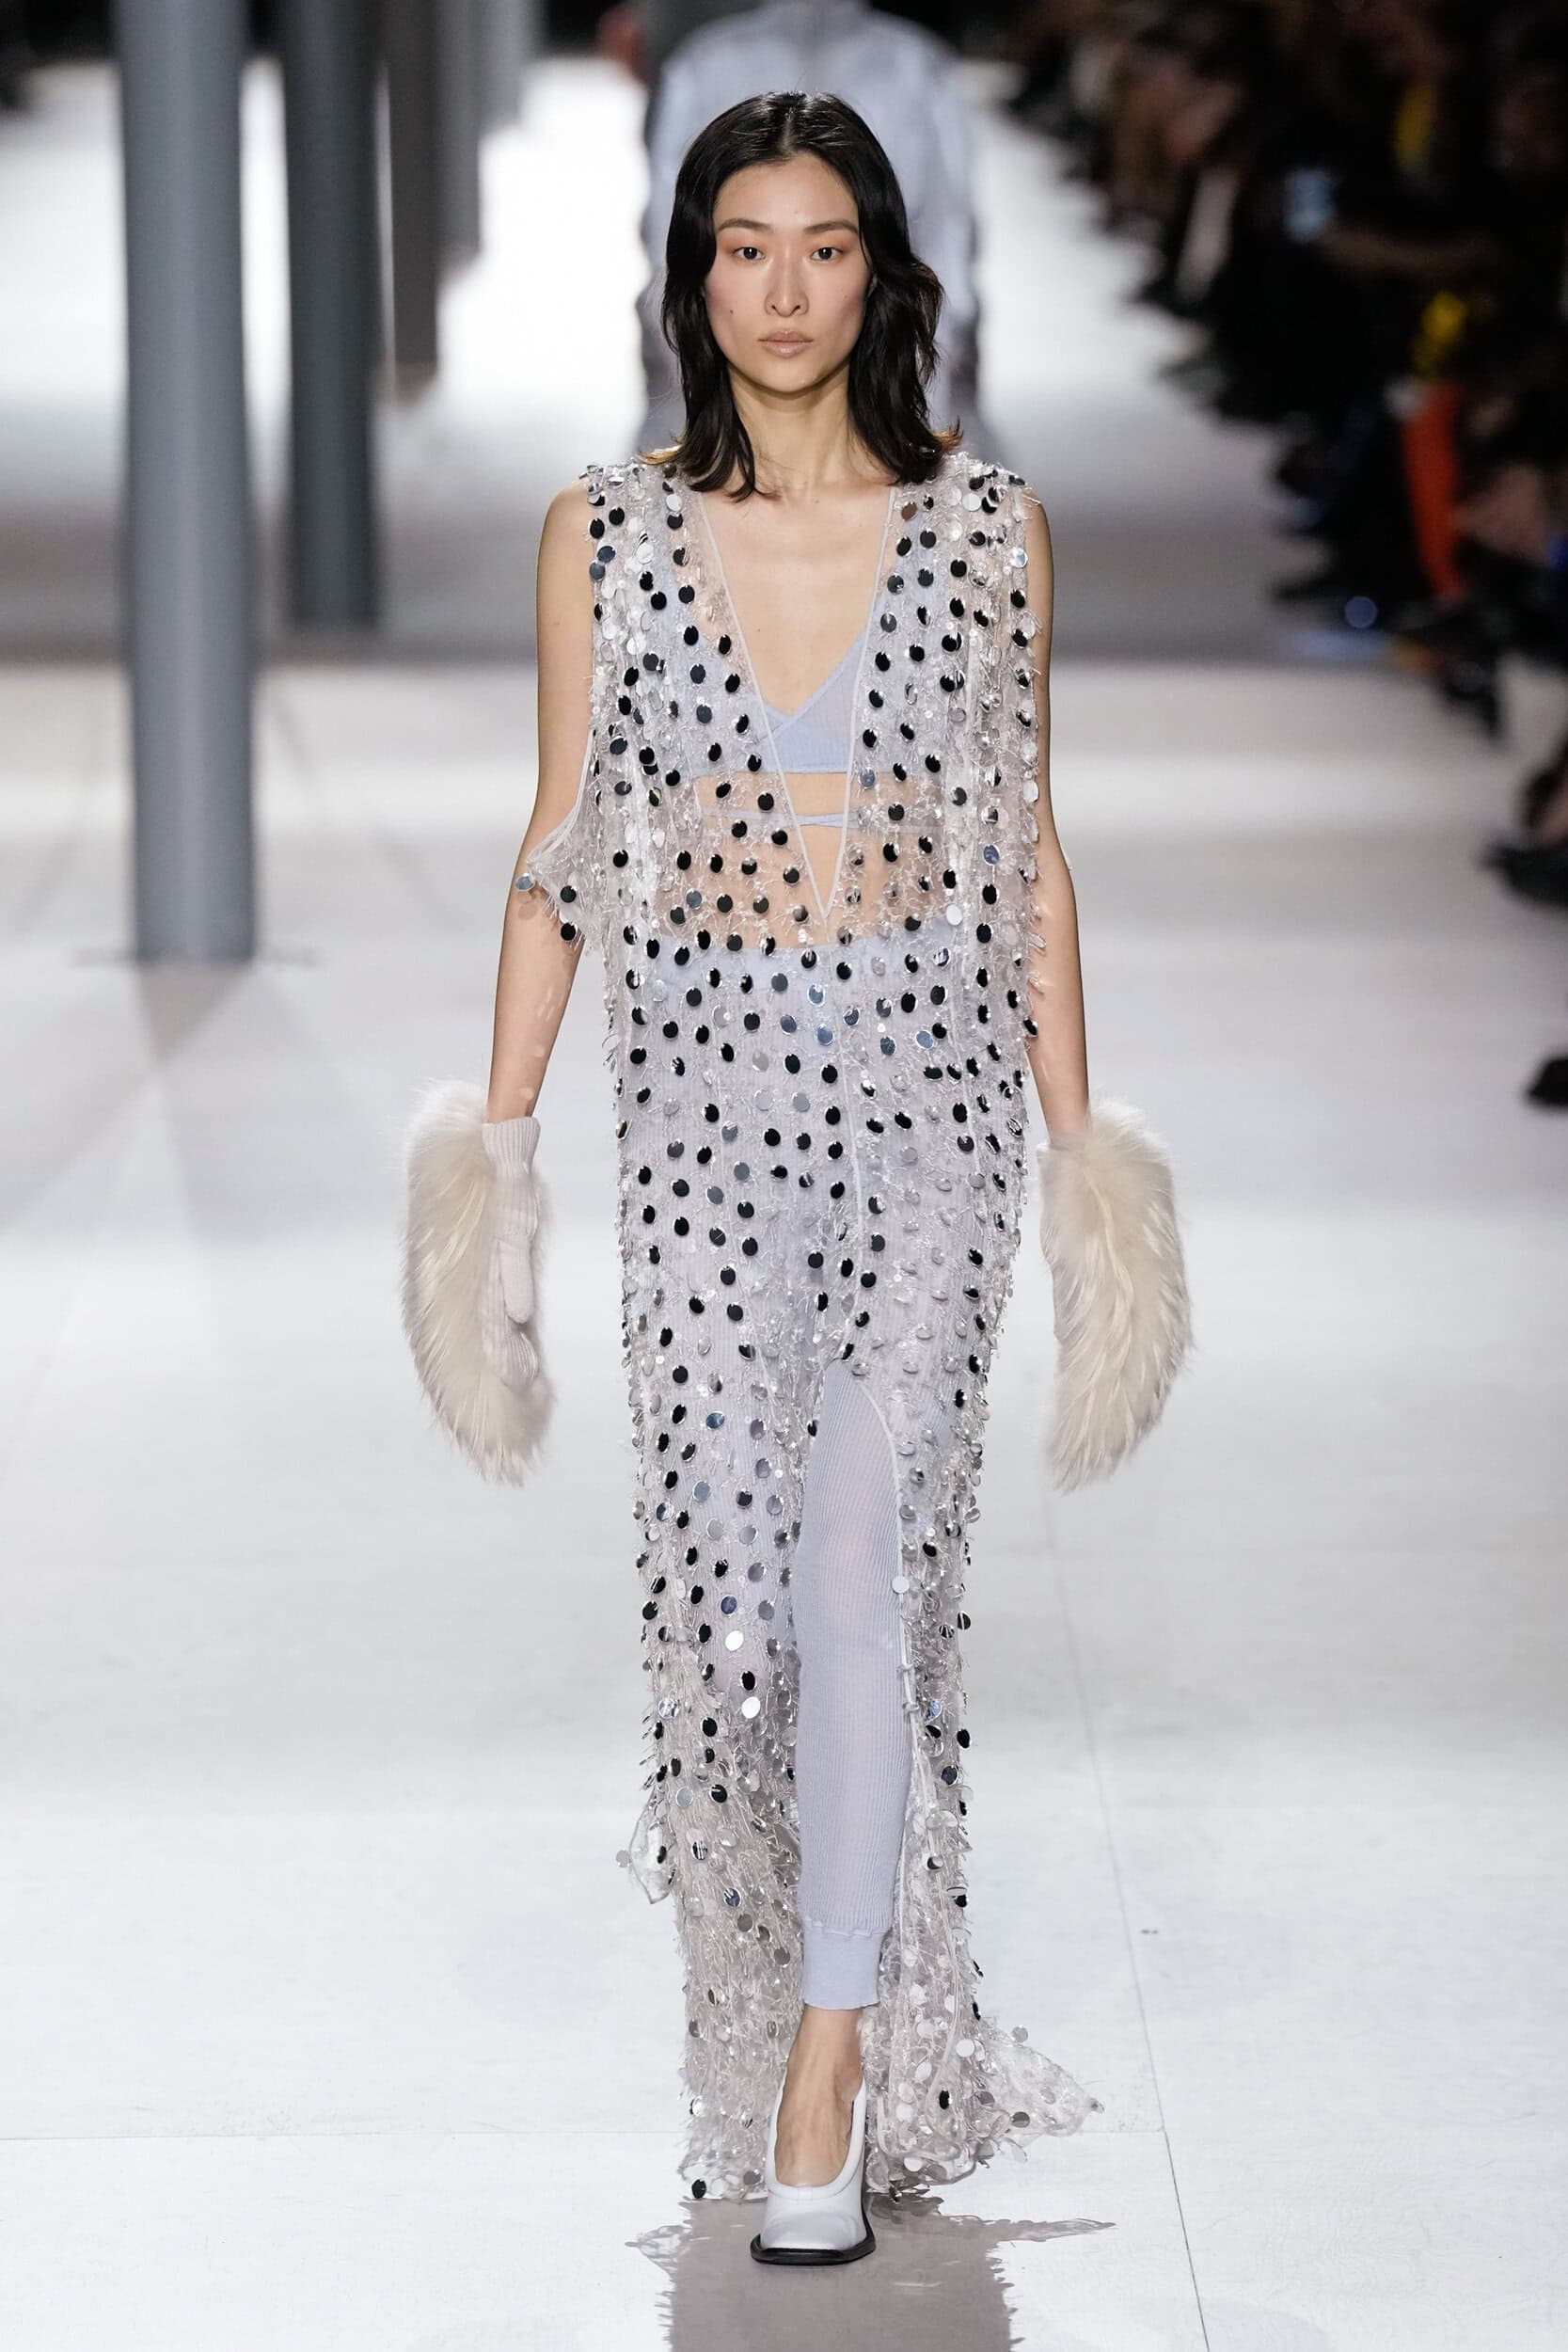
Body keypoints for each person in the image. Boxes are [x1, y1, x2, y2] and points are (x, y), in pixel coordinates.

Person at [402, 90, 1190, 2266]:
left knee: (861, 1576)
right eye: (742, 246)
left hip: (925, 1113)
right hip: (703, 1124)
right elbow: (561, 848)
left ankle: (826, 2063)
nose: (781, 289)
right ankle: (784, 1995)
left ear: (878, 274)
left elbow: (1023, 846)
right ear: (691, 276)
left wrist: (1077, 1159)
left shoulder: (985, 529)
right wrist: (498, 1158)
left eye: (822, 246)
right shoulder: (605, 532)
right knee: (736, 1612)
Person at [634, 1, 982, 453]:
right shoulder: (705, 64)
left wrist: (920, 394)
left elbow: (946, 234)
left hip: (891, 371)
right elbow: (672, 239)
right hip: (716, 408)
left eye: (824, 252)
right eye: (751, 252)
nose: (786, 299)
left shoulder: (917, 68)